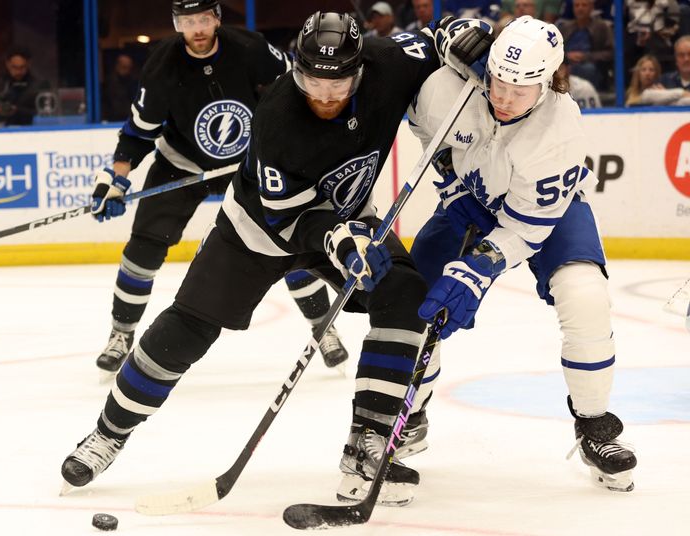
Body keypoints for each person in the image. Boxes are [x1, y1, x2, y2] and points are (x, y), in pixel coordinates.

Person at [61, 11, 492, 506]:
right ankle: (108, 434)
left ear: (361, 69)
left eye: (339, 83)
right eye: (312, 81)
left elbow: (441, 34)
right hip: (258, 232)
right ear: (295, 70)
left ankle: (367, 446)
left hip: (351, 219)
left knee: (405, 295)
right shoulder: (279, 120)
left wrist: (465, 37)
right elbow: (291, 223)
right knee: (188, 327)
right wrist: (339, 240)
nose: (325, 96)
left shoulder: (387, 62)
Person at [407, 16, 637, 492]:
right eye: (498, 82)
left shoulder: (559, 130)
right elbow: (420, 119)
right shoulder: (445, 90)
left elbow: (525, 229)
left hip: (541, 213)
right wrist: (450, 179)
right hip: (469, 200)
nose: (504, 99)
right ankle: (408, 412)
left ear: (549, 82)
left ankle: (594, 424)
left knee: (584, 292)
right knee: (412, 298)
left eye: (521, 89)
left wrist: (479, 269)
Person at [87, 0, 349, 378]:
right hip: (182, 162)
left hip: (250, 163)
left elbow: (296, 92)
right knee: (144, 245)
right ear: (177, 24)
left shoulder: (251, 48)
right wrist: (116, 179)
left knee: (286, 237)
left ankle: (324, 328)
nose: (197, 28)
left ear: (217, 19)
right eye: (189, 21)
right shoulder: (161, 65)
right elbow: (137, 133)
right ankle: (121, 333)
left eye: (204, 19)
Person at [557, 0, 613, 89]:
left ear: (591, 7)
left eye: (584, 5)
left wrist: (585, 56)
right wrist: (566, 56)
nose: (580, 8)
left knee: (587, 69)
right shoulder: (565, 27)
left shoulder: (601, 27)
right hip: (566, 63)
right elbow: (556, 50)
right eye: (577, 5)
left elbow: (610, 53)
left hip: (591, 65)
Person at [0, 46, 50, 126]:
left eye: (22, 67)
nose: (18, 72)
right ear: (7, 64)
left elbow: (46, 115)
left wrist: (16, 111)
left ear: (28, 64)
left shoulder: (40, 86)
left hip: (32, 130)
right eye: (14, 67)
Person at [625, 53, 690, 105]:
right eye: (643, 70)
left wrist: (665, 93)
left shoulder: (664, 92)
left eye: (651, 70)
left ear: (657, 73)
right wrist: (682, 93)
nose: (647, 73)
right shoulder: (628, 94)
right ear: (638, 73)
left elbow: (680, 103)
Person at [101, 53, 139, 121]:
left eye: (129, 67)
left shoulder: (133, 82)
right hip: (114, 120)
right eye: (124, 67)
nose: (127, 70)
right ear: (117, 66)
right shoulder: (109, 83)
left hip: (131, 119)